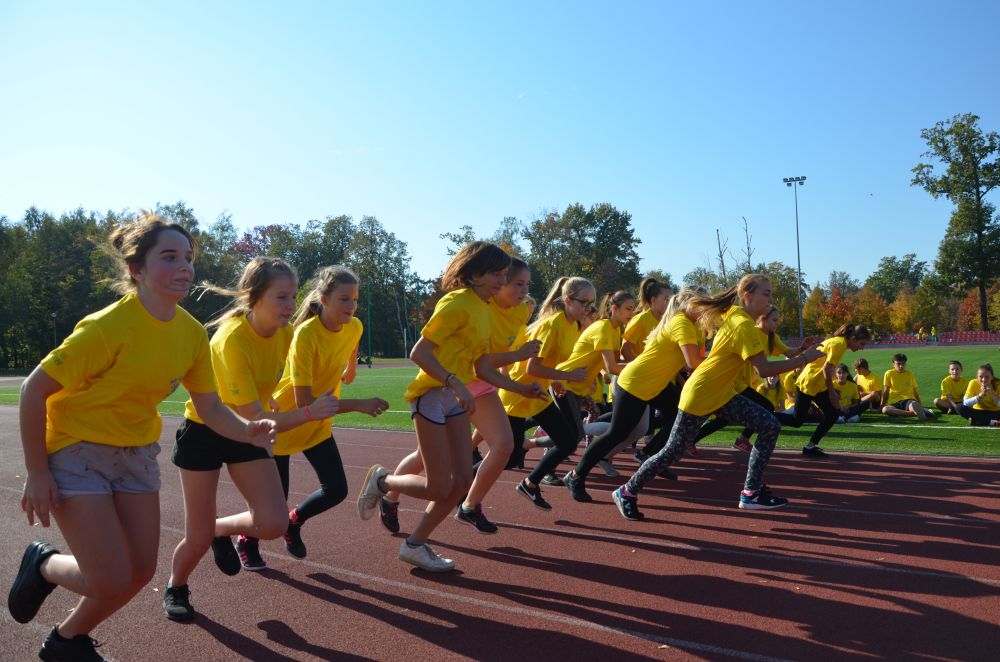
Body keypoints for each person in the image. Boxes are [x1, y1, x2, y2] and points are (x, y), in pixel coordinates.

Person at [8, 213, 277, 661]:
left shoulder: (192, 334)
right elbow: (33, 389)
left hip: (135, 456)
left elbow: (210, 407)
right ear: (137, 270)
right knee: (109, 578)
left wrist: (247, 430)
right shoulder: (107, 327)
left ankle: (66, 641)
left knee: (138, 573)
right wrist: (38, 472)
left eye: (187, 257)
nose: (184, 266)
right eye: (169, 257)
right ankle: (45, 564)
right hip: (76, 451)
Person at [165, 257, 340, 620]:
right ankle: (176, 586)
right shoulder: (232, 339)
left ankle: (218, 530)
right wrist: (310, 413)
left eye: (293, 296)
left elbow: (276, 384)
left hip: (247, 433)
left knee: (274, 524)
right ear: (254, 297)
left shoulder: (285, 333)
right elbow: (254, 418)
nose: (291, 306)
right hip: (205, 431)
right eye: (281, 297)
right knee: (195, 537)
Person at [357, 242, 542, 571]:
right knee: (438, 486)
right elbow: (419, 352)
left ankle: (415, 544)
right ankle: (383, 481)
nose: (502, 281)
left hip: (457, 397)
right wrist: (455, 382)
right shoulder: (456, 303)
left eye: (505, 275)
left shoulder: (483, 308)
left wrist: (520, 388)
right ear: (475, 274)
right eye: (498, 274)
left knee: (460, 483)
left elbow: (482, 367)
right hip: (431, 394)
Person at [610, 275, 824, 520]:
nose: (771, 299)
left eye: (770, 294)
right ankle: (626, 491)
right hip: (701, 394)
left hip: (722, 393)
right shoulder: (742, 325)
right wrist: (804, 358)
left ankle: (751, 493)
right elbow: (764, 369)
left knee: (769, 425)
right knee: (672, 452)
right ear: (747, 296)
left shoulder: (737, 315)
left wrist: (799, 352)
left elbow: (719, 311)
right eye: (766, 294)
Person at [247, 266, 388, 562]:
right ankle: (247, 541)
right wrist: (358, 404)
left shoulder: (355, 325)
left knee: (336, 490)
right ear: (324, 300)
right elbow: (305, 402)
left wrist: (350, 367)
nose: (352, 306)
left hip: (318, 423)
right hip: (287, 421)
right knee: (274, 506)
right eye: (344, 299)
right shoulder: (306, 335)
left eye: (355, 299)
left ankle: (294, 522)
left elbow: (351, 342)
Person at [562, 287, 706, 502]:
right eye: (703, 304)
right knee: (617, 433)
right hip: (635, 382)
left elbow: (688, 360)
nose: (706, 309)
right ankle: (576, 475)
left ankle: (651, 457)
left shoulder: (693, 325)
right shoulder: (681, 323)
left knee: (679, 415)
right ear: (689, 305)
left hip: (654, 384)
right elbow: (693, 361)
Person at [500, 277, 594, 509]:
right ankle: (461, 482)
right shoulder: (552, 324)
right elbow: (532, 368)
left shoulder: (572, 326)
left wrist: (556, 380)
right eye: (584, 302)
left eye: (591, 303)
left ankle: (530, 484)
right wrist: (567, 376)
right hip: (518, 393)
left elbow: (551, 361)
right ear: (568, 300)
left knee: (568, 441)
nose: (588, 308)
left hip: (538, 394)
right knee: (509, 459)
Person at [693, 305, 813, 453]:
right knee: (766, 406)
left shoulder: (772, 338)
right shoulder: (750, 332)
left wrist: (802, 348)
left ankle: (691, 440)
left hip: (744, 382)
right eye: (774, 320)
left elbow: (789, 353)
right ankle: (743, 439)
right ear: (763, 319)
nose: (777, 323)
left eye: (778, 320)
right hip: (734, 381)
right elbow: (761, 368)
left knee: (724, 419)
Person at [550, 290, 637, 477]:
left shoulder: (616, 330)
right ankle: (540, 467)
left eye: (633, 309)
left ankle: (532, 449)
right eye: (628, 309)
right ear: (614, 308)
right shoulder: (603, 328)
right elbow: (612, 367)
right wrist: (643, 366)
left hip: (580, 385)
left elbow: (614, 363)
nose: (632, 313)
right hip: (565, 382)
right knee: (572, 436)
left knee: (572, 435)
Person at [787, 323, 872, 457]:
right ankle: (763, 417)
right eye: (862, 344)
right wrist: (831, 392)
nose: (862, 348)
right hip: (809, 383)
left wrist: (829, 389)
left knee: (832, 415)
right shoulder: (840, 344)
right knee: (796, 421)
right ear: (853, 339)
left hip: (817, 384)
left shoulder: (839, 342)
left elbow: (825, 367)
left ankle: (810, 447)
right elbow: (826, 368)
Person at [621, 277, 671, 361]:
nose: (670, 303)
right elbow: (625, 350)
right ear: (653, 300)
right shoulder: (641, 319)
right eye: (666, 299)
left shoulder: (666, 321)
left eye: (671, 300)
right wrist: (639, 367)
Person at [881, 353, 935, 419]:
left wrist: (920, 404)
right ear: (893, 364)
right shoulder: (889, 373)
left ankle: (914, 411)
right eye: (898, 364)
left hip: (908, 400)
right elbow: (886, 391)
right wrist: (881, 405)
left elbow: (915, 391)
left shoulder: (909, 374)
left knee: (913, 405)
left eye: (903, 364)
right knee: (885, 409)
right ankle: (915, 413)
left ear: (905, 364)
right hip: (894, 402)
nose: (901, 366)